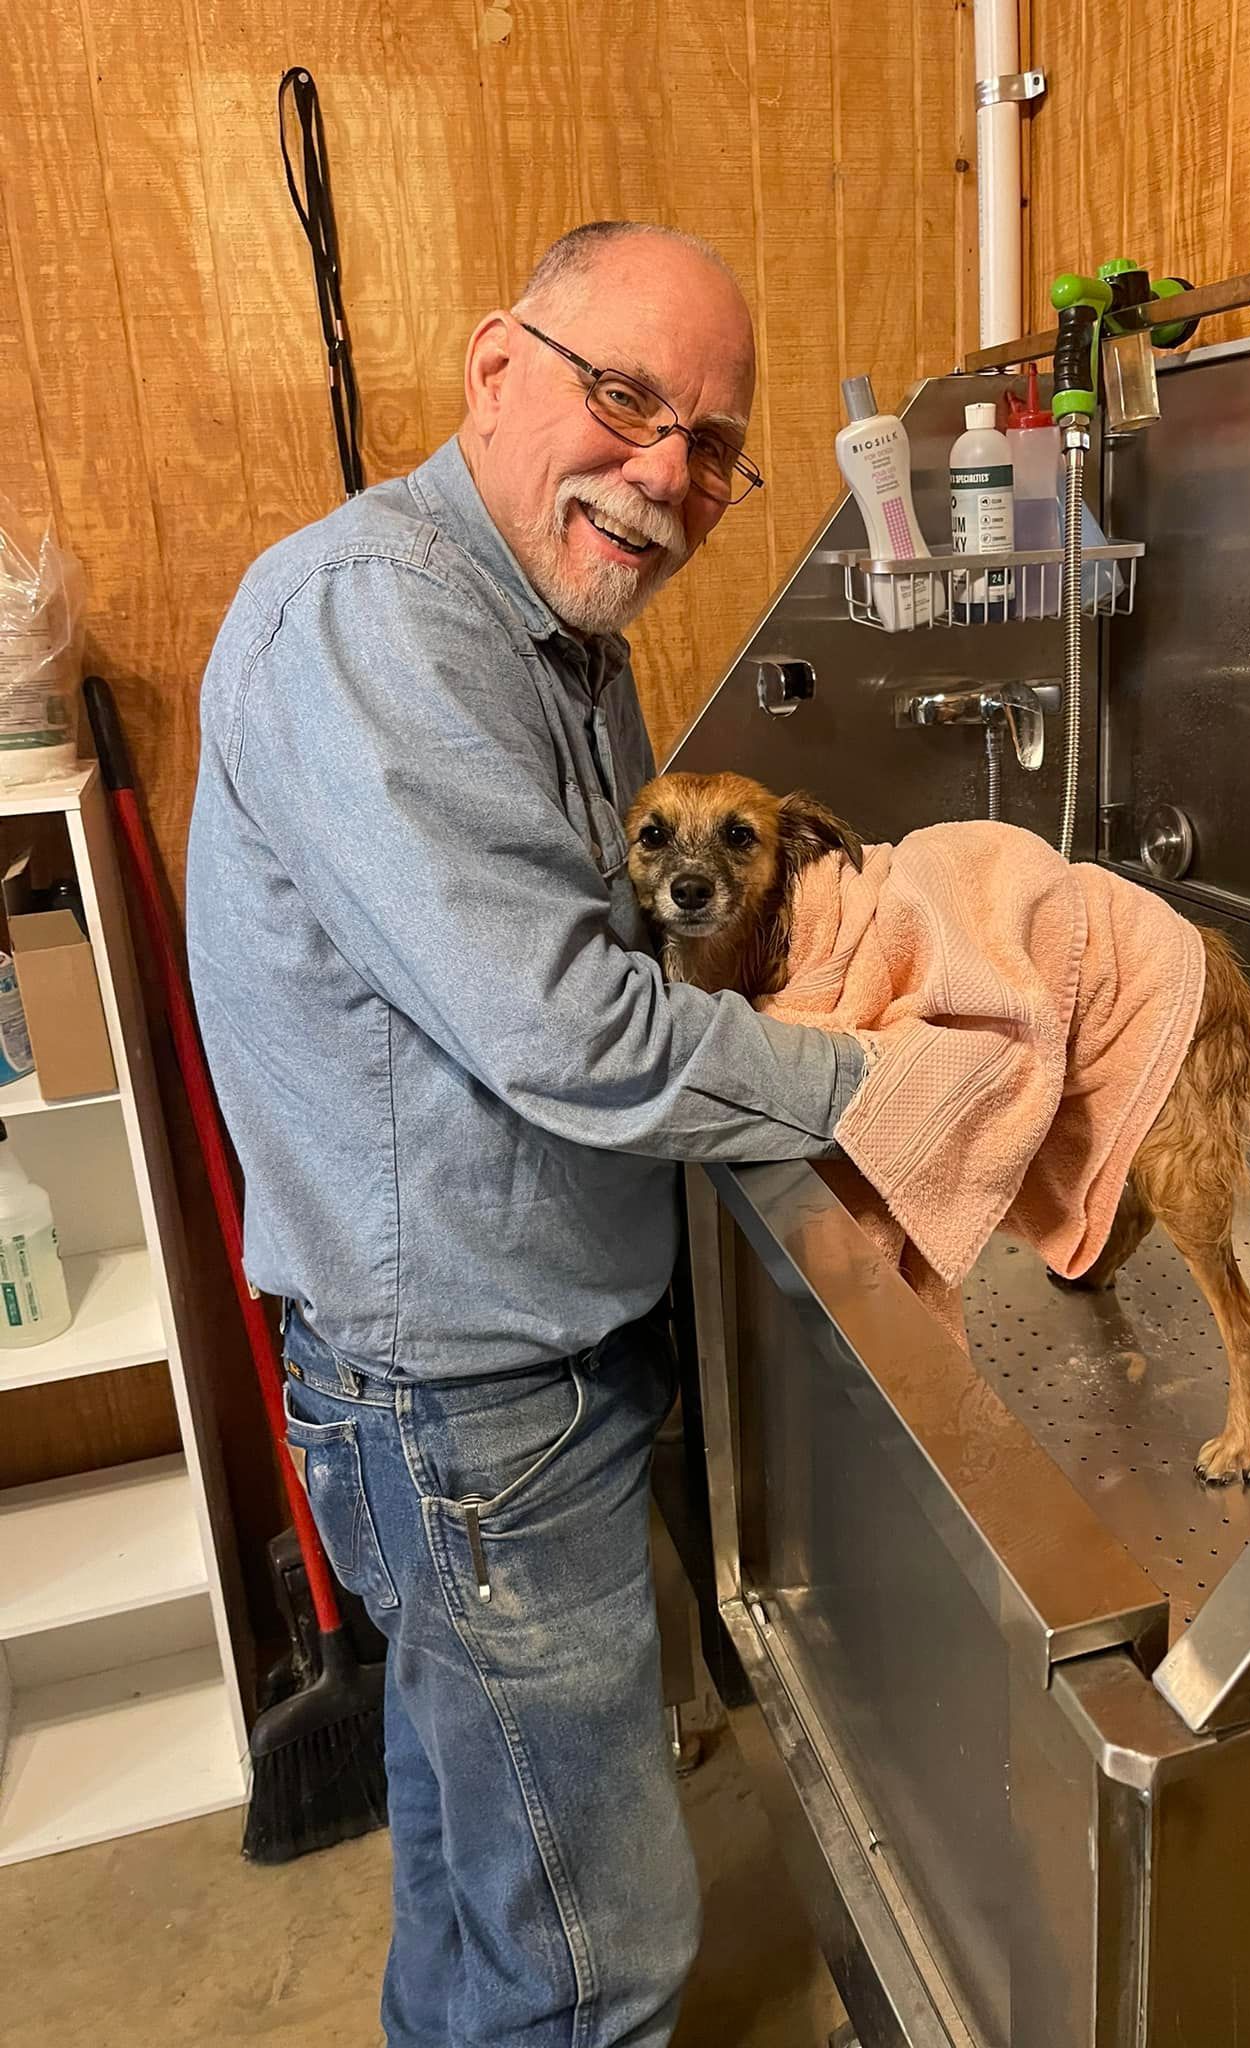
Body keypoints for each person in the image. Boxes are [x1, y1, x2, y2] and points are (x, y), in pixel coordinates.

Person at [187, 221, 863, 2048]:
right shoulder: (380, 622)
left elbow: (597, 951)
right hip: (470, 1400)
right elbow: (574, 1027)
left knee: (481, 1854)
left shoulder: (559, 641)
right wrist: (891, 1091)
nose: (669, 476)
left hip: (511, 1367)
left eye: (714, 445)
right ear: (499, 370)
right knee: (592, 1953)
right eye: (628, 399)